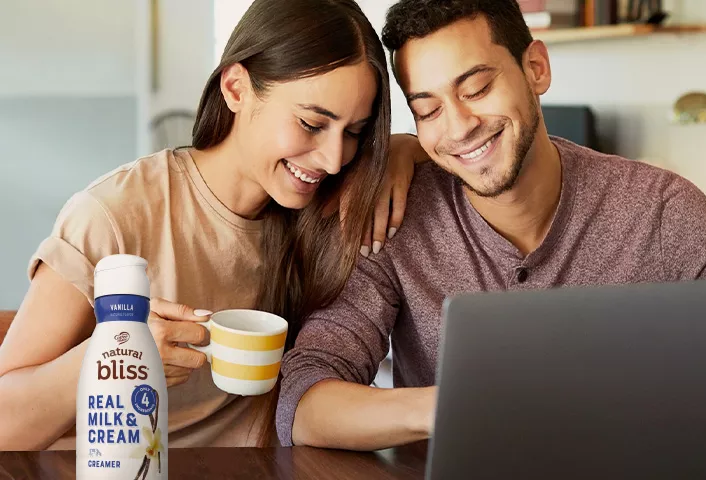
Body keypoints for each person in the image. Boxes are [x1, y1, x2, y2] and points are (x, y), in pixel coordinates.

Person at [277, 0, 706, 451]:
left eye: (478, 88)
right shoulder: (393, 218)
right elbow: (304, 404)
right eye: (428, 111)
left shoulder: (666, 214)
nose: (459, 127)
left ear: (536, 69)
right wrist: (456, 404)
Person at [0, 0, 427, 451]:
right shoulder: (114, 214)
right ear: (236, 88)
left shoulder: (329, 208)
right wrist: (111, 356)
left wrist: (404, 149)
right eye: (311, 123)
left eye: (355, 131)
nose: (334, 159)